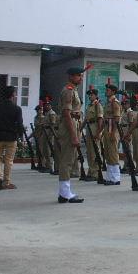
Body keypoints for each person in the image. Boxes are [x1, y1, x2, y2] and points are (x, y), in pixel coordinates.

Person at [56, 66, 87, 203]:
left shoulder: (73, 90)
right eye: (79, 75)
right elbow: (67, 114)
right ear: (71, 77)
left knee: (70, 159)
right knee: (67, 160)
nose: (81, 78)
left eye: (81, 75)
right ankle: (64, 193)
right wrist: (74, 135)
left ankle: (65, 191)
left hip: (74, 124)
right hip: (69, 126)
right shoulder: (68, 91)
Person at [0, 86, 23, 190]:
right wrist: (21, 137)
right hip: (11, 137)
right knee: (9, 160)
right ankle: (6, 182)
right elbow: (20, 124)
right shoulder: (17, 108)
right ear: (13, 95)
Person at [102, 83, 122, 185]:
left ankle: (115, 178)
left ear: (113, 92)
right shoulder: (108, 102)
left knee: (113, 154)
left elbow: (117, 119)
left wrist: (114, 133)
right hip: (107, 129)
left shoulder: (115, 103)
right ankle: (110, 177)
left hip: (112, 130)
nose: (106, 92)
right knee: (108, 154)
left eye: (108, 90)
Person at [83, 86, 104, 182]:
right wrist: (80, 129)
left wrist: (99, 132)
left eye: (91, 95)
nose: (90, 96)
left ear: (96, 96)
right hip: (89, 128)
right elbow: (86, 119)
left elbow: (100, 119)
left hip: (95, 128)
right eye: (89, 95)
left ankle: (95, 172)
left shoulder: (97, 105)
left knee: (95, 151)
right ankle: (91, 171)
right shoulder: (89, 106)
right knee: (89, 151)